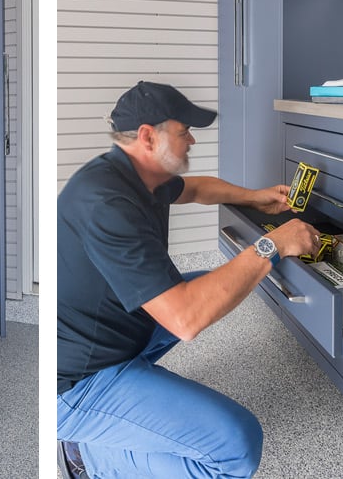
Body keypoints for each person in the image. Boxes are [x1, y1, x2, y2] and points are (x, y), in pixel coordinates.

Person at [57, 81, 321, 478]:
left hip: (103, 333)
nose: (192, 140)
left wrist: (255, 196)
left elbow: (196, 189)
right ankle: (87, 455)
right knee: (238, 446)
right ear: (148, 137)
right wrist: (273, 245)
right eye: (184, 131)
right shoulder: (107, 204)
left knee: (210, 282)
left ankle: (114, 415)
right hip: (75, 382)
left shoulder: (134, 174)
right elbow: (185, 319)